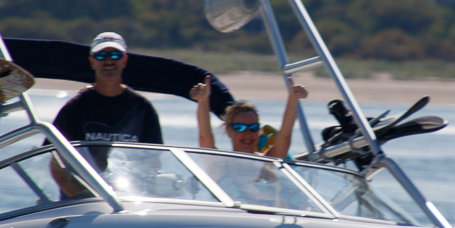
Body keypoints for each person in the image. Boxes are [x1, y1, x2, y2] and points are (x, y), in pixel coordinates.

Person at [50, 31, 163, 195]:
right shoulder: (75, 107)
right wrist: (80, 197)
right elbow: (55, 163)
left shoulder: (142, 108)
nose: (109, 61)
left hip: (128, 203)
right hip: (82, 208)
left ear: (124, 60)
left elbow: (152, 164)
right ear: (92, 62)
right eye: (101, 56)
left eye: (115, 55)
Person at [190, 75, 308, 159]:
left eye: (253, 127)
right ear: (228, 130)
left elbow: (285, 136)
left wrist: (293, 99)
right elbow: (205, 136)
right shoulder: (219, 165)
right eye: (240, 127)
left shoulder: (268, 161)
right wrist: (203, 100)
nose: (247, 133)